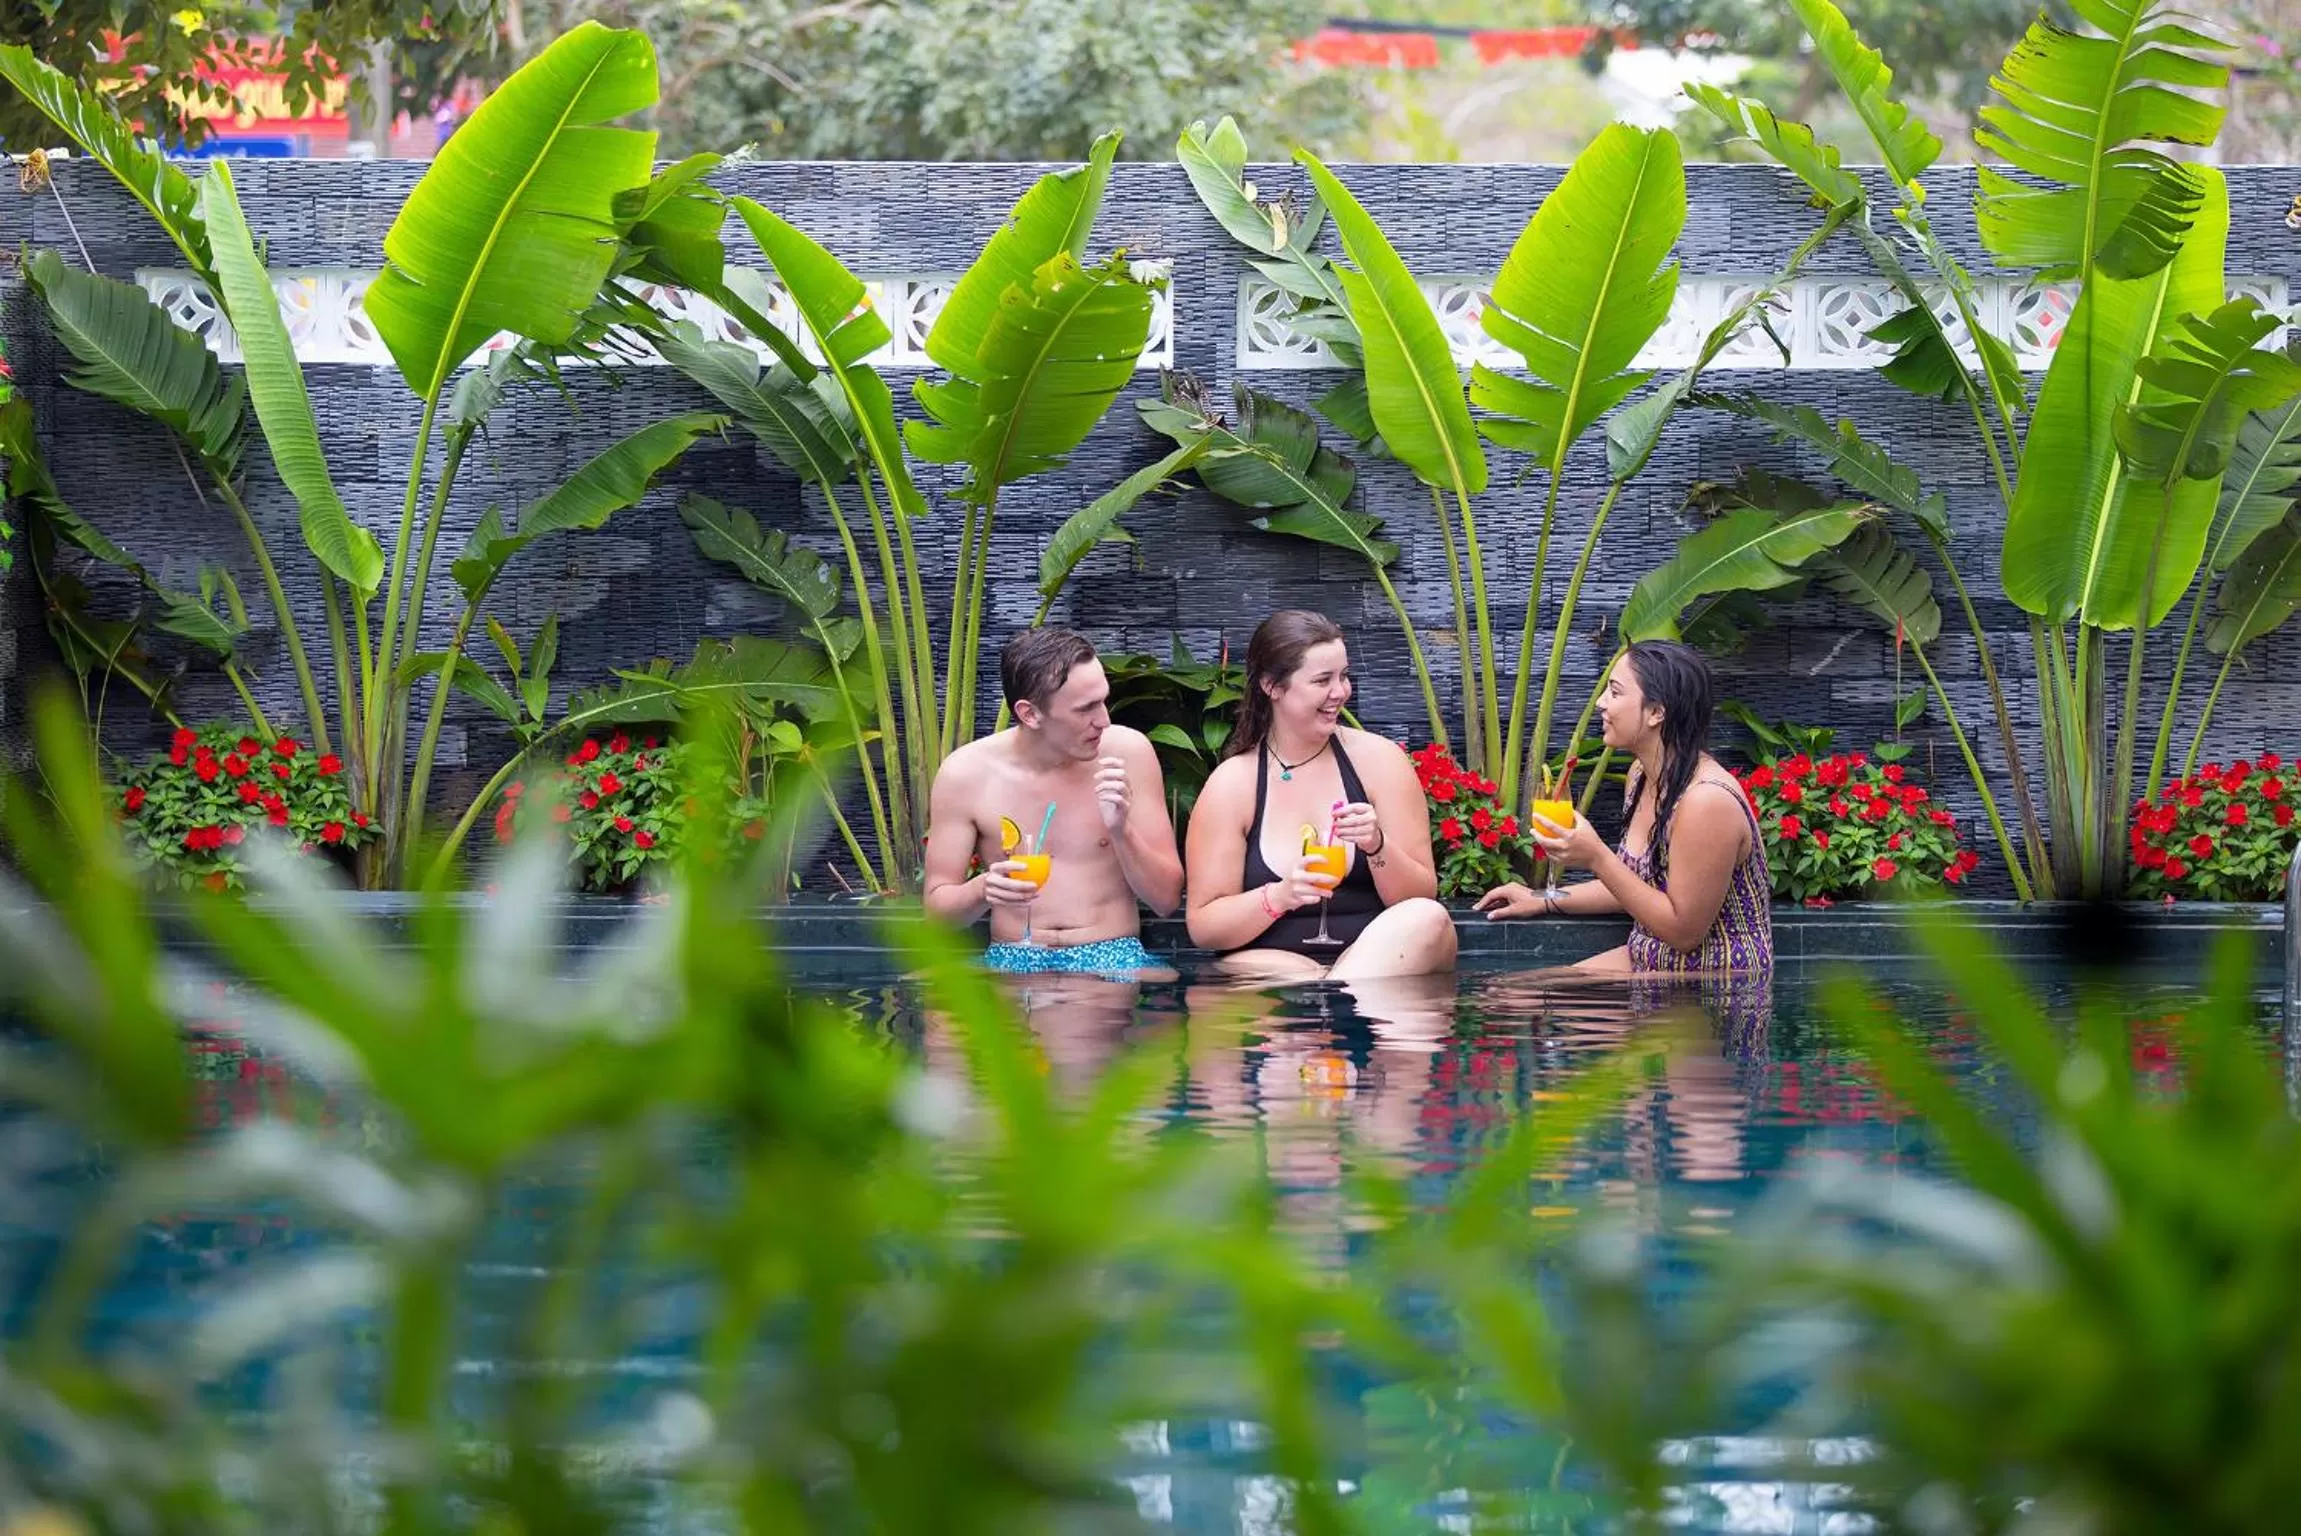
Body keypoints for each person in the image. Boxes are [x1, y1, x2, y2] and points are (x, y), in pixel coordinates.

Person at [1185, 610, 1455, 980]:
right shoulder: (1234, 784)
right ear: (1272, 686)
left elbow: (1419, 897)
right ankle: (1334, 996)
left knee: (1428, 918)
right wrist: (1279, 896)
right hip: (1279, 968)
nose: (1340, 692)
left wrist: (1377, 846)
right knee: (1272, 972)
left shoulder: (1380, 762)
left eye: (1343, 676)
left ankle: (1338, 990)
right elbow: (1204, 927)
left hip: (1386, 964)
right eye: (1322, 680)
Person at [1475, 639, 1772, 975]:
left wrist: (1596, 857)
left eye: (1615, 692)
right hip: (1651, 962)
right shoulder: (1642, 775)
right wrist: (1542, 898)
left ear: (1657, 712)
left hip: (1714, 986)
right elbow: (1635, 886)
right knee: (1515, 994)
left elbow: (1684, 933)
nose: (1601, 703)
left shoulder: (1706, 802)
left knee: (1541, 1008)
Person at [922, 627, 1183, 977]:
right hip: (1011, 957)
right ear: (1030, 714)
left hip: (1112, 955)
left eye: (1103, 700)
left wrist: (1121, 830)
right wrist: (982, 889)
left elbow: (1166, 900)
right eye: (1085, 708)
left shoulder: (1126, 755)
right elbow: (936, 918)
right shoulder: (966, 774)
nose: (1104, 720)